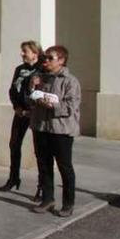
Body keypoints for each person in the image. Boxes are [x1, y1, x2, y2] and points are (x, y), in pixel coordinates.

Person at [29, 45, 81, 217]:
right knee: (44, 166)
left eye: (50, 58)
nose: (46, 61)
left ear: (61, 60)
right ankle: (48, 199)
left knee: (64, 167)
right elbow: (30, 100)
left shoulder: (70, 81)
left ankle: (68, 203)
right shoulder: (40, 78)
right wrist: (33, 88)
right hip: (41, 127)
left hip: (61, 130)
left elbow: (71, 106)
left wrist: (52, 105)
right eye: (45, 58)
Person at [0, 41, 45, 198]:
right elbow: (12, 90)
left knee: (40, 150)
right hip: (20, 112)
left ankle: (42, 185)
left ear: (35, 53)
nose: (22, 54)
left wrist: (32, 110)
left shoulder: (42, 69)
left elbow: (43, 92)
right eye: (22, 51)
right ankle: (13, 178)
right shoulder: (20, 69)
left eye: (25, 51)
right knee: (14, 144)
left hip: (35, 113)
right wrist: (16, 107)